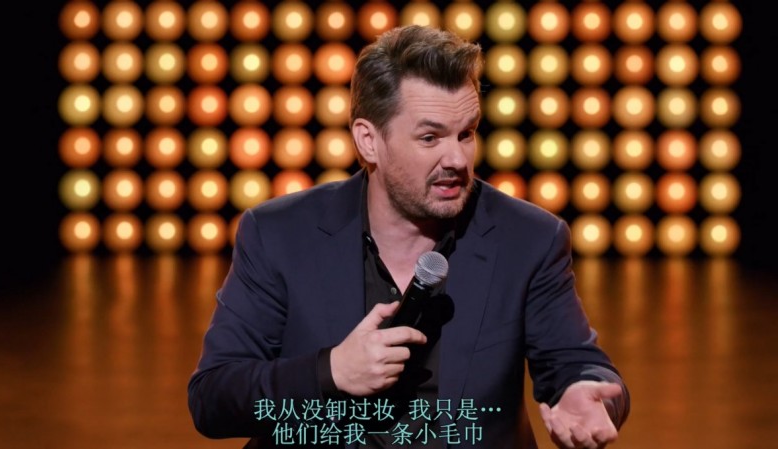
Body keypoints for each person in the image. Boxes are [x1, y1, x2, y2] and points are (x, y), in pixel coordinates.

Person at [188, 25, 630, 449]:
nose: (457, 159)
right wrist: (330, 372)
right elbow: (213, 399)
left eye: (466, 134)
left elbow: (578, 366)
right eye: (430, 137)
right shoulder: (280, 235)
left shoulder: (529, 239)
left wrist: (588, 395)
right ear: (368, 141)